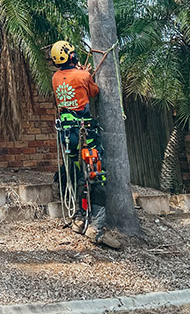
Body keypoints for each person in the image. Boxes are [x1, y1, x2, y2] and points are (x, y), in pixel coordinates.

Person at [51, 40, 121, 249]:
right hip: (85, 133)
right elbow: (94, 91)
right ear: (71, 56)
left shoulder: (56, 78)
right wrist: (86, 74)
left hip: (67, 134)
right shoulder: (82, 76)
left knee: (80, 174)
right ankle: (96, 228)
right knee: (97, 175)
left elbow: (71, 83)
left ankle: (79, 219)